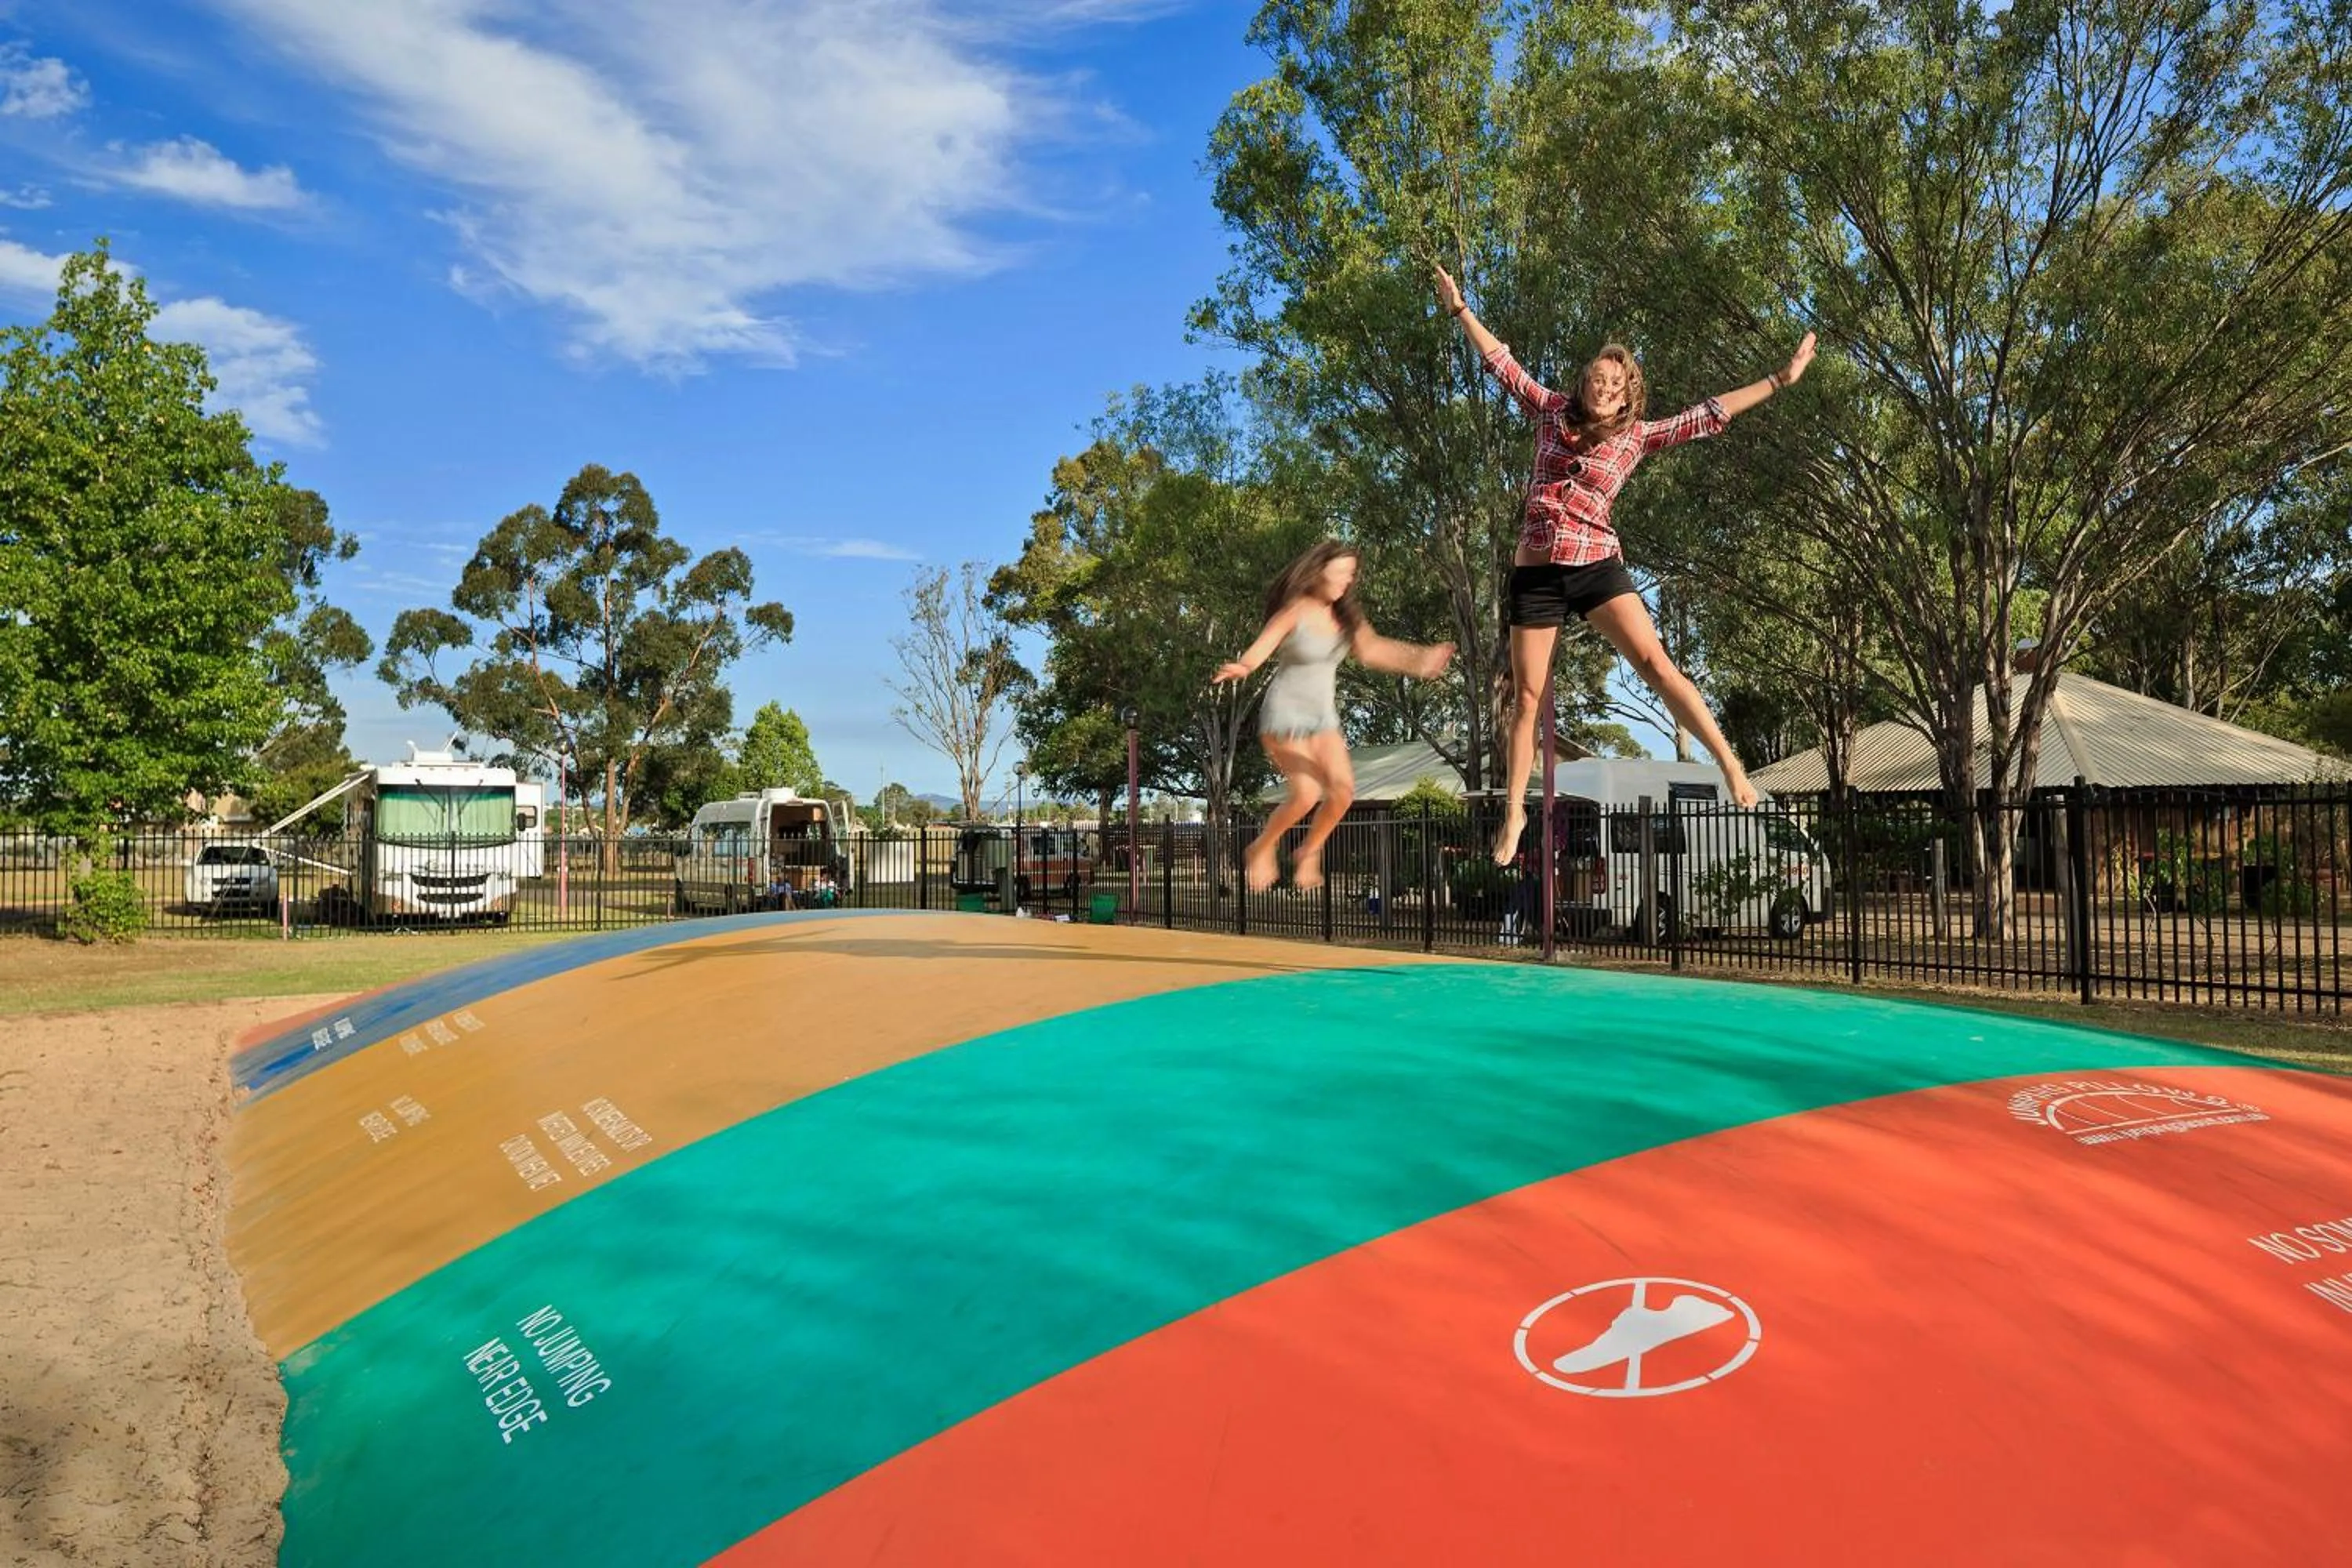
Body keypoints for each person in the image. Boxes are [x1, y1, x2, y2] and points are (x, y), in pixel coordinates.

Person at [1432, 263, 1817, 863]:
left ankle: (1732, 765)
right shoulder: (1550, 411)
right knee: (1527, 696)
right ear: (1586, 380)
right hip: (1535, 571)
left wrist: (1779, 379)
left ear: (1627, 392)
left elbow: (1708, 415)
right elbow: (1501, 364)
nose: (1604, 387)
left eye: (1616, 383)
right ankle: (1512, 814)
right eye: (1598, 377)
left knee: (1655, 662)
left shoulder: (1637, 438)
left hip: (1595, 565)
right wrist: (1460, 310)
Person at [1214, 540, 1454, 893]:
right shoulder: (1295, 610)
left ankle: (1309, 850)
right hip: (1284, 716)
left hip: (1323, 719)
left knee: (1343, 792)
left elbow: (1374, 650)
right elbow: (1264, 644)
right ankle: (1262, 847)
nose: (1346, 580)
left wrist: (1420, 660)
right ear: (1318, 570)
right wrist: (1245, 665)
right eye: (1339, 571)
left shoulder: (1346, 619)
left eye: (1351, 574)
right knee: (1307, 793)